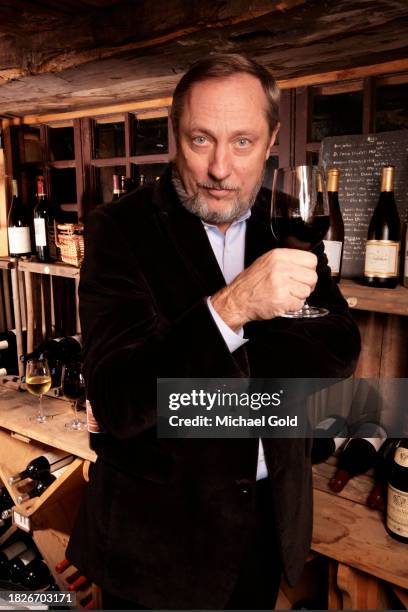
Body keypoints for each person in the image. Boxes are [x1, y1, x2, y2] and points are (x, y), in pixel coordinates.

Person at [67, 54, 360, 609]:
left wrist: (191, 383)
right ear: (175, 135)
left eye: (243, 142)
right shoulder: (119, 229)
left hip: (265, 524)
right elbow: (120, 399)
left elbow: (340, 346)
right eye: (201, 140)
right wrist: (232, 308)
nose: (221, 168)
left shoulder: (289, 222)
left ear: (272, 140)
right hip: (155, 543)